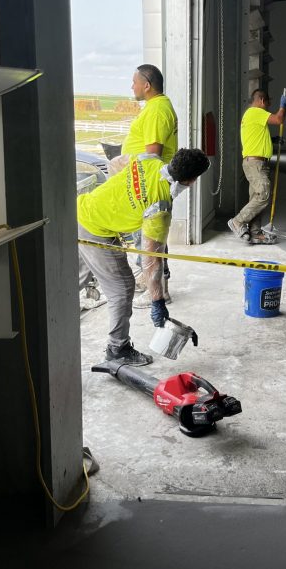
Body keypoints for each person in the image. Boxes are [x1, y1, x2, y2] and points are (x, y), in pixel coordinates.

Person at [78, 148, 210, 366]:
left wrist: (120, 202)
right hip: (96, 229)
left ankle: (48, 321)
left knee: (79, 278)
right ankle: (117, 348)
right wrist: (157, 301)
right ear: (192, 181)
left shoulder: (148, 161)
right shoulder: (160, 207)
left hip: (82, 209)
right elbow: (152, 261)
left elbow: (115, 163)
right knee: (123, 288)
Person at [111, 65, 178, 307]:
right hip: (146, 182)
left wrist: (123, 165)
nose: (132, 86)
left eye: (134, 82)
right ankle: (154, 282)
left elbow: (153, 154)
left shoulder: (157, 110)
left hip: (148, 184)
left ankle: (157, 293)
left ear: (147, 85)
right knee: (152, 236)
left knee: (148, 238)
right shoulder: (155, 107)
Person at [227, 89, 286, 245]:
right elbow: (278, 119)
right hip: (255, 164)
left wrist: (273, 139)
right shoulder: (255, 111)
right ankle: (237, 221)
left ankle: (255, 233)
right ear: (262, 101)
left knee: (256, 198)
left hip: (256, 163)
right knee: (263, 194)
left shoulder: (251, 115)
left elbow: (257, 136)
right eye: (268, 103)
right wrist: (283, 106)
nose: (268, 107)